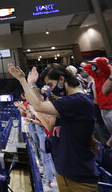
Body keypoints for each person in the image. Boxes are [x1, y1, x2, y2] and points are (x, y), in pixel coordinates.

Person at [8, 63, 98, 191]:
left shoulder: (76, 100)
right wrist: (32, 85)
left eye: (50, 84)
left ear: (62, 79)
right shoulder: (68, 100)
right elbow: (42, 109)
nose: (50, 89)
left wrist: (23, 81)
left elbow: (39, 106)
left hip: (79, 175)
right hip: (64, 171)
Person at [84, 57, 112, 136]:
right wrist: (93, 64)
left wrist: (102, 62)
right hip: (102, 109)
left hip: (111, 107)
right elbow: (86, 67)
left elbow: (101, 63)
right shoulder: (96, 75)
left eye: (95, 64)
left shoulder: (107, 73)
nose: (93, 66)